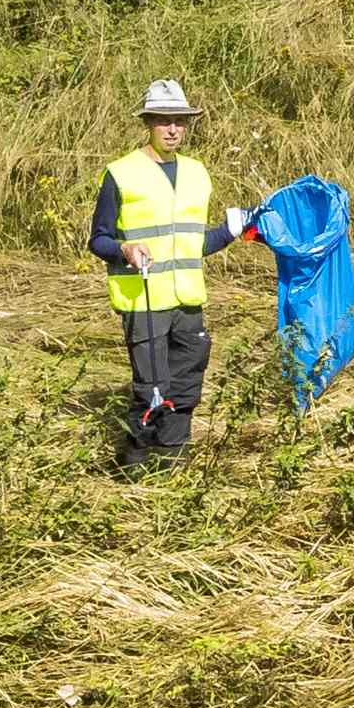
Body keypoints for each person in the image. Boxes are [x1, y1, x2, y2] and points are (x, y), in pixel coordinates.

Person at [89, 79, 258, 468]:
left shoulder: (198, 174)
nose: (172, 129)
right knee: (151, 388)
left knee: (185, 386)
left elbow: (192, 244)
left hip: (189, 299)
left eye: (180, 122)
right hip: (144, 300)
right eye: (164, 121)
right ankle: (135, 467)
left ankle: (173, 461)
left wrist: (230, 231)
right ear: (148, 122)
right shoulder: (121, 173)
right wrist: (124, 249)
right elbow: (98, 240)